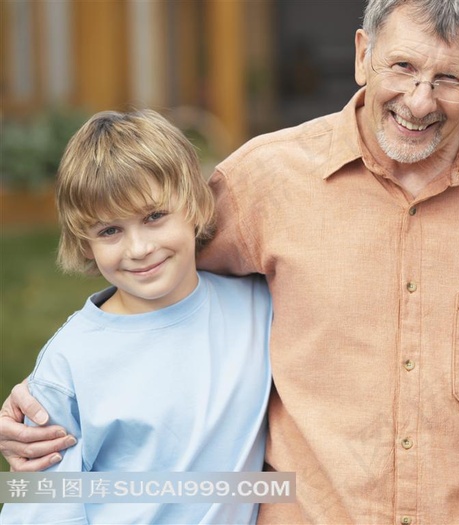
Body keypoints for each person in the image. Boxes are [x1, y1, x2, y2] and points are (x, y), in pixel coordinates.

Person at [2, 1, 459, 523]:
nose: (420, 101)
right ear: (363, 52)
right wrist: (60, 392)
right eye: (402, 66)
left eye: (449, 78)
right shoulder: (265, 180)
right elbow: (150, 274)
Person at [0, 110, 272, 524]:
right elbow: (43, 508)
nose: (139, 248)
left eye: (154, 217)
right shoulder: (68, 365)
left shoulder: (257, 306)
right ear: (85, 243)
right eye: (110, 230)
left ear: (196, 205)